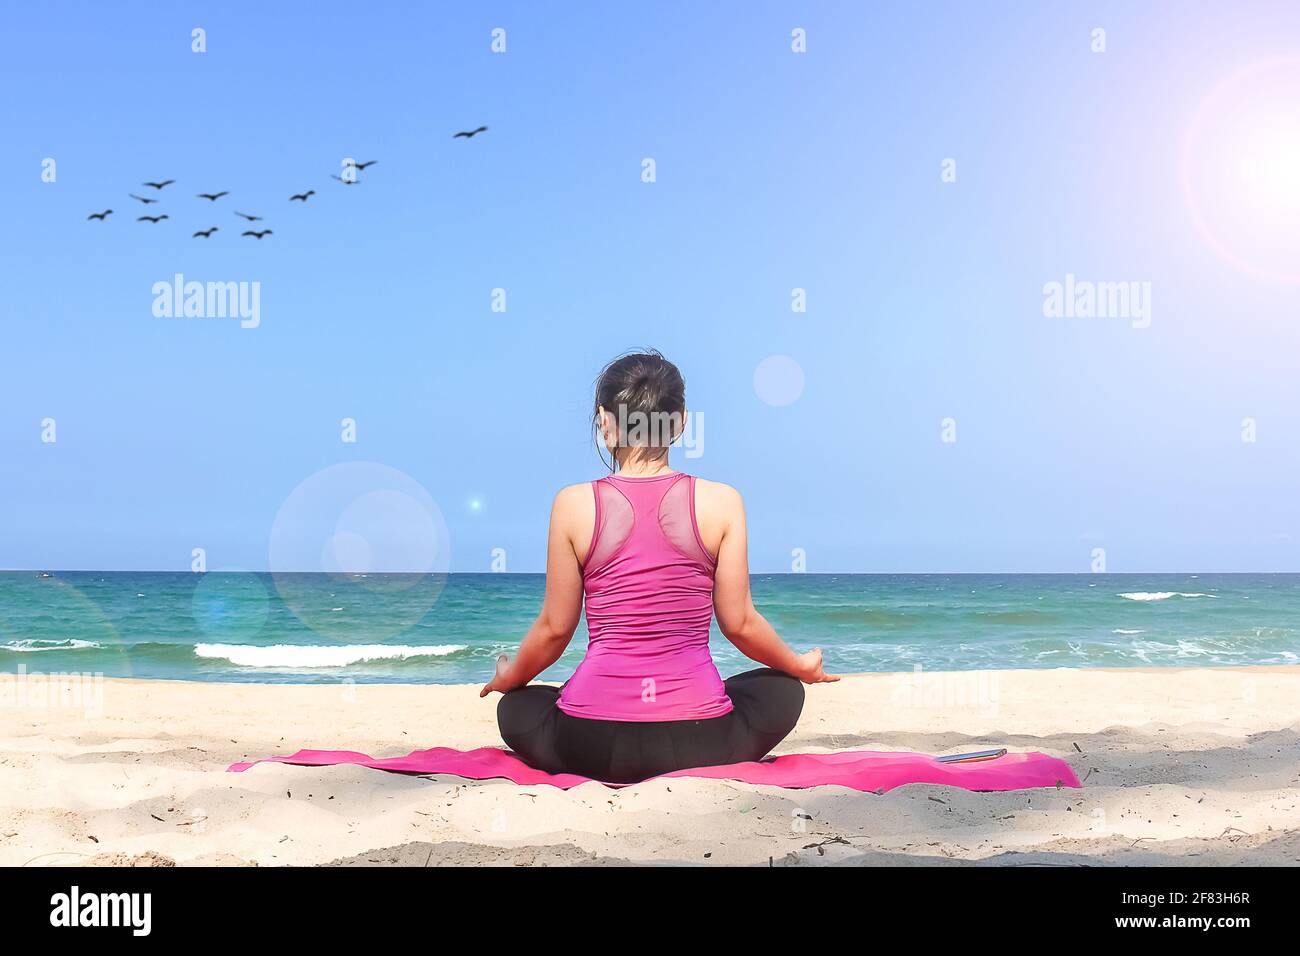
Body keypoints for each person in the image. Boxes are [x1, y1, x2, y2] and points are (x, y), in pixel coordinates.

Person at [480, 350, 838, 783]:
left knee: (516, 706)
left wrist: (509, 676)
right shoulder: (722, 502)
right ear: (681, 421)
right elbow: (740, 623)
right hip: (701, 741)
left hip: (590, 744)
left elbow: (555, 629)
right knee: (781, 690)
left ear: (604, 421)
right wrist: (798, 666)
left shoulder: (572, 504)